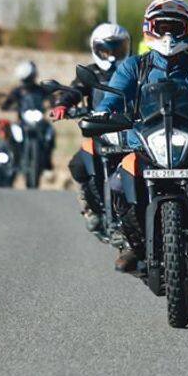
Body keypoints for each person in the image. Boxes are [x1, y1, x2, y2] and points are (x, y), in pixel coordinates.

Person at [94, 0, 188, 272]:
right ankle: (131, 243)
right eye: (161, 27)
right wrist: (103, 111)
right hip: (143, 144)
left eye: (174, 27)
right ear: (149, 28)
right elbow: (112, 96)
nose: (168, 34)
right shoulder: (133, 67)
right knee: (118, 181)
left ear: (187, 30)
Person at [51, 23, 131, 238]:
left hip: (130, 131)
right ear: (96, 49)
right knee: (78, 165)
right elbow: (75, 90)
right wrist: (63, 103)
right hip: (100, 132)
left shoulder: (133, 70)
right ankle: (89, 206)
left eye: (118, 49)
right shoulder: (90, 73)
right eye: (107, 50)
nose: (113, 55)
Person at [2, 61, 57, 171]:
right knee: (12, 134)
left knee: (51, 132)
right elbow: (7, 103)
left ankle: (47, 160)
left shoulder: (41, 89)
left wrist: (54, 104)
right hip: (23, 121)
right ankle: (15, 158)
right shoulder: (18, 91)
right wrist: (8, 106)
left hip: (40, 120)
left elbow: (52, 99)